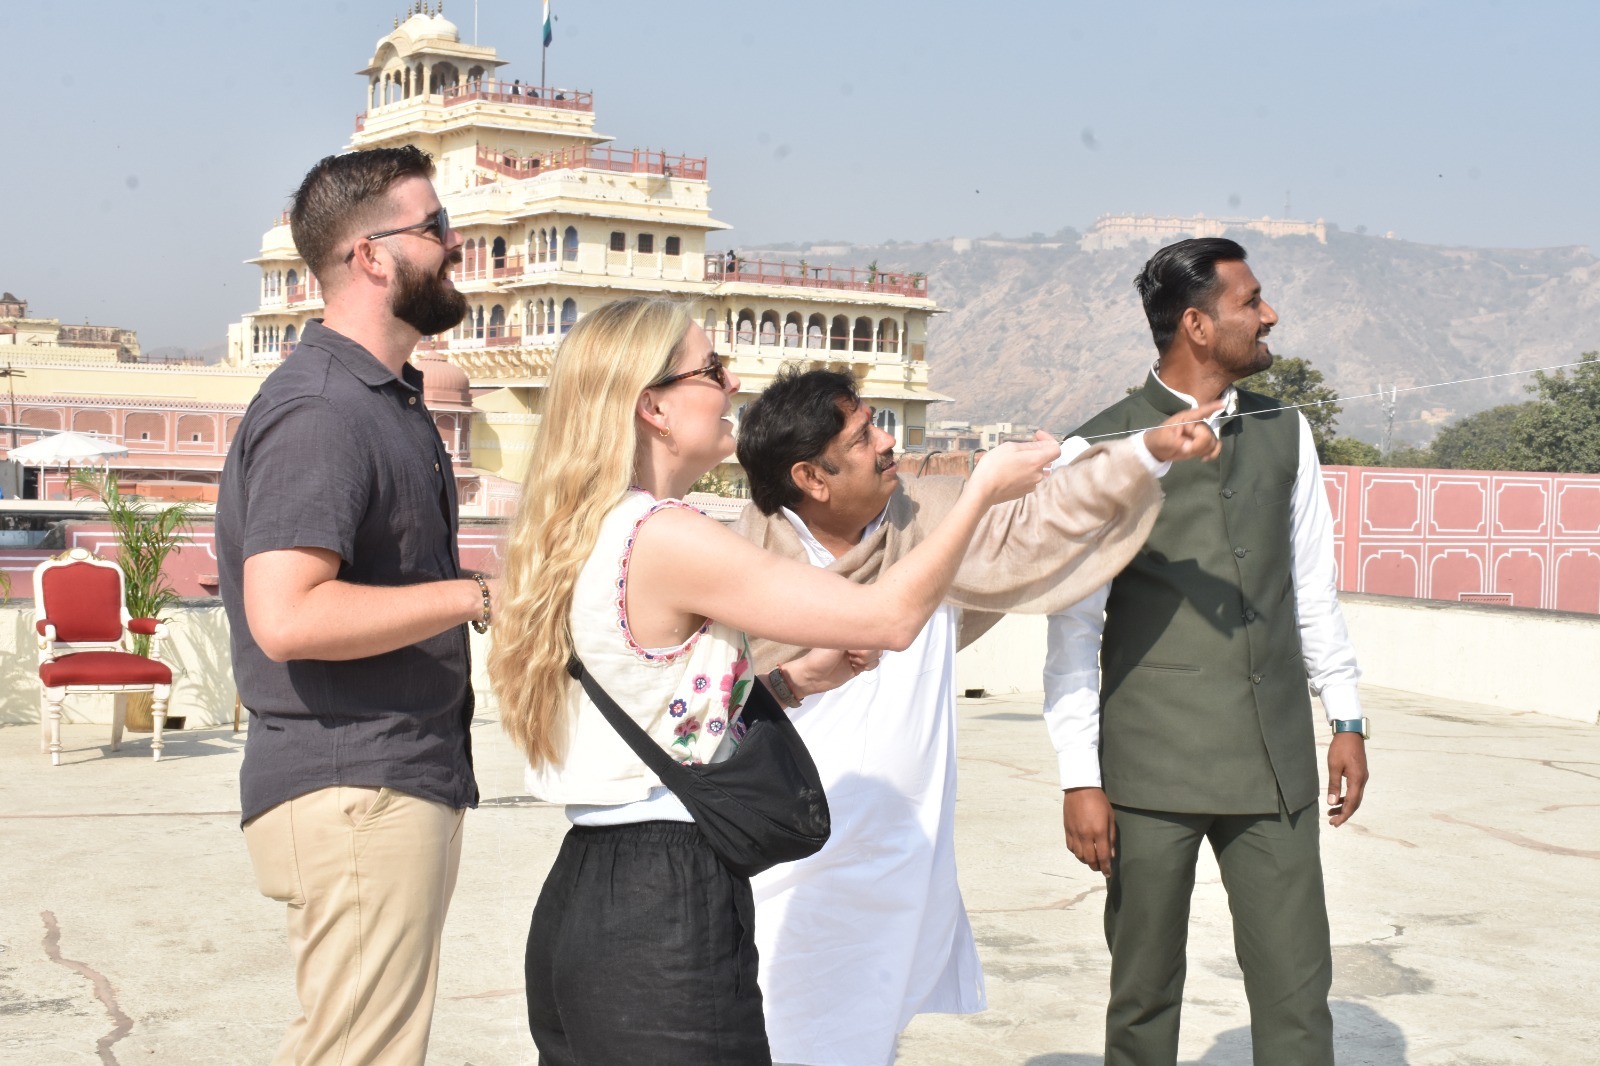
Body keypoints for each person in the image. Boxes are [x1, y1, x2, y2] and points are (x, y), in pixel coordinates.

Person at [488, 297, 1061, 1066]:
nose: (731, 385)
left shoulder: (590, 527)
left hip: (593, 887)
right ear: (652, 406)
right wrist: (984, 490)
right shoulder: (664, 535)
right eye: (713, 370)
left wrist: (788, 685)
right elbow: (887, 617)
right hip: (665, 900)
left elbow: (654, 705)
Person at [730, 369, 1222, 1066]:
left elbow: (1044, 515)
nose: (886, 441)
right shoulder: (742, 570)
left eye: (877, 422)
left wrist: (1147, 451)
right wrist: (791, 680)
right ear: (812, 477)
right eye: (864, 434)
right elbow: (713, 716)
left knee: (869, 1037)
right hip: (787, 876)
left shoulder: (927, 520)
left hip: (902, 867)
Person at [1046, 237, 1370, 1066]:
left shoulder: (1285, 432)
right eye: (1251, 301)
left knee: (1299, 996)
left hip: (1275, 765)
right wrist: (1080, 778)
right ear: (1196, 323)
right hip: (1149, 771)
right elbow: (1075, 630)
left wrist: (1347, 716)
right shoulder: (1098, 450)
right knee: (1144, 997)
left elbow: (1311, 587)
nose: (1269, 315)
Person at [216, 145, 482, 1066]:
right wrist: (477, 596)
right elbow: (286, 615)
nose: (458, 245)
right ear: (372, 255)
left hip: (380, 780)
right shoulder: (325, 410)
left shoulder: (377, 401)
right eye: (438, 227)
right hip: (355, 784)